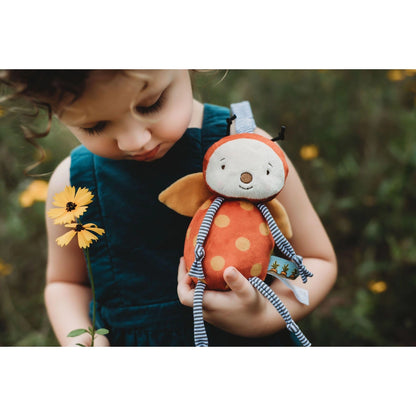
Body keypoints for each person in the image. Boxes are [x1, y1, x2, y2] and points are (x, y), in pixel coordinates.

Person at [1, 70, 337, 346]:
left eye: (150, 104)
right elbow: (66, 283)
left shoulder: (247, 153)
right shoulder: (72, 185)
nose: (134, 141)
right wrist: (85, 346)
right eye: (95, 126)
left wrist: (263, 317)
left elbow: (316, 260)